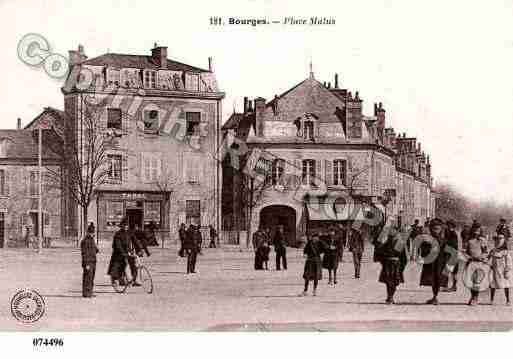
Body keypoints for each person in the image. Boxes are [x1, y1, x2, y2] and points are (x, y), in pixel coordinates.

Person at [419, 218, 450, 305]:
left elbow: (447, 252)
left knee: (438, 279)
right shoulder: (427, 239)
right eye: (434, 229)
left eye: (437, 229)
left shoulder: (443, 240)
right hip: (431, 262)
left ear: (440, 230)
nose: (435, 231)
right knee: (433, 279)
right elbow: (423, 250)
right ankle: (434, 296)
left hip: (440, 262)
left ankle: (435, 297)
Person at [376, 225, 407, 304]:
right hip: (387, 264)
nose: (391, 232)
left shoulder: (400, 243)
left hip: (396, 264)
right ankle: (389, 297)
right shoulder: (386, 242)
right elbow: (380, 253)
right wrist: (383, 263)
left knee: (395, 282)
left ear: (397, 232)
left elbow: (404, 258)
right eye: (390, 231)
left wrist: (401, 268)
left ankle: (391, 296)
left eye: (393, 231)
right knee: (388, 282)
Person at [464, 223, 489, 305]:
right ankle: (472, 296)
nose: (476, 232)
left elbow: (485, 252)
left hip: (479, 263)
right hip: (471, 262)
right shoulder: (468, 240)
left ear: (480, 231)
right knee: (470, 281)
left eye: (478, 230)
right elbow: (465, 252)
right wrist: (469, 257)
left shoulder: (482, 240)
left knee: (477, 281)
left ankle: (475, 298)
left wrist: (481, 257)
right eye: (475, 230)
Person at [489, 234, 512, 305]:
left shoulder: (506, 251)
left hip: (503, 270)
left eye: (501, 238)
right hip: (495, 270)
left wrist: (507, 270)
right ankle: (491, 300)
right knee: (493, 285)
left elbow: (508, 261)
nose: (499, 240)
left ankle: (508, 300)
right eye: (498, 238)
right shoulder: (493, 250)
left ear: (504, 240)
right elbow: (489, 258)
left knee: (506, 285)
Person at [107, 218, 131, 286]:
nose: (126, 227)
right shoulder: (118, 234)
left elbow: (129, 244)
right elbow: (117, 246)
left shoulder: (128, 234)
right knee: (117, 265)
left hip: (125, 253)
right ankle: (115, 279)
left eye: (127, 225)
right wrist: (122, 252)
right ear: (122, 226)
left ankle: (132, 278)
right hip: (118, 254)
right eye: (125, 225)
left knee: (131, 263)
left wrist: (130, 251)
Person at [81, 224, 99, 298]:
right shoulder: (85, 241)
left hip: (93, 261)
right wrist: (86, 264)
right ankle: (86, 293)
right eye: (91, 232)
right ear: (88, 232)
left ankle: (90, 292)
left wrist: (96, 249)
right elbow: (84, 253)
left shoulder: (92, 240)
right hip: (88, 262)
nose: (92, 234)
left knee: (91, 277)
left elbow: (95, 250)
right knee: (87, 277)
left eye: (93, 232)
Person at [443, 220, 459, 292]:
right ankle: (452, 286)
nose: (447, 226)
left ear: (451, 226)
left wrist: (445, 243)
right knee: (453, 271)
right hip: (452, 253)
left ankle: (450, 286)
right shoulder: (450, 232)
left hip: (452, 253)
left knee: (449, 270)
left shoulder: (452, 233)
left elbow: (453, 244)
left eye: (448, 225)